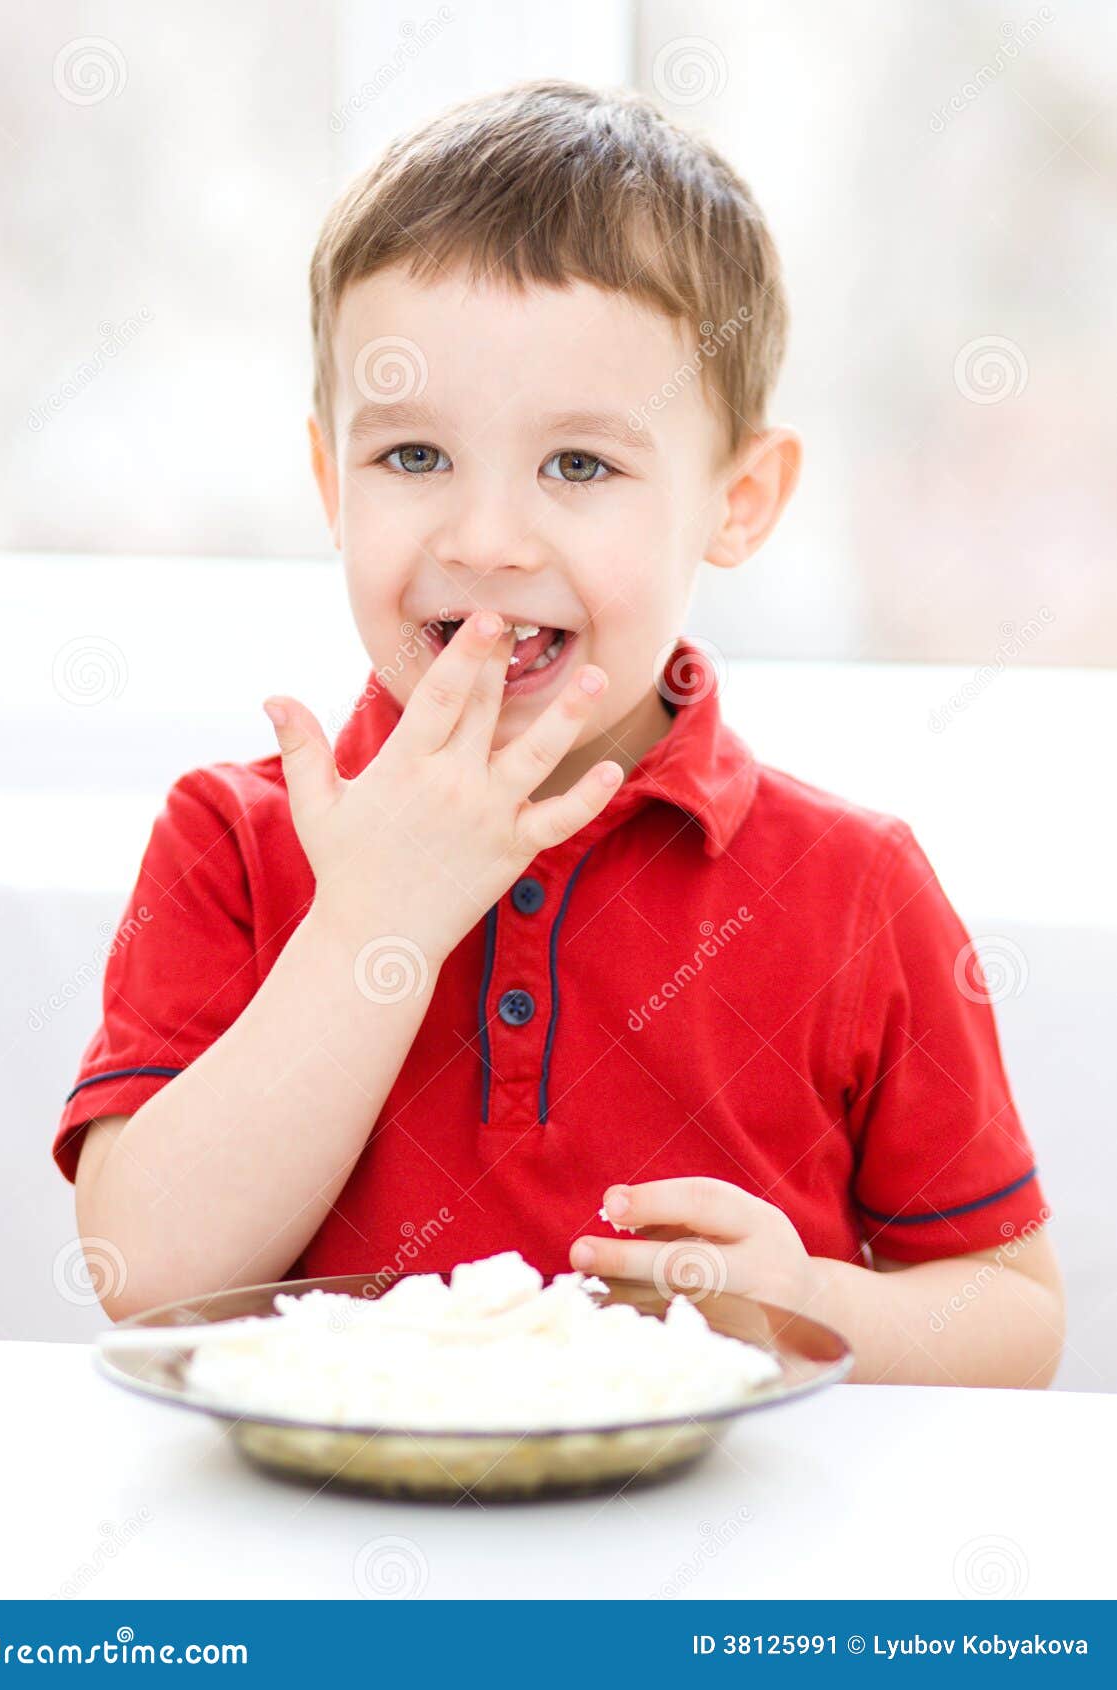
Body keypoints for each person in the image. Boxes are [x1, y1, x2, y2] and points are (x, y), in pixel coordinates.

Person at [54, 81, 1063, 1385]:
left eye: (578, 467)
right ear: (327, 483)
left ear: (737, 502)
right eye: (412, 457)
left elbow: (1013, 1321)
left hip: (719, 1575)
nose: (484, 539)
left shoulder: (854, 885)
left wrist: (806, 1302)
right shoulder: (234, 840)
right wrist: (373, 927)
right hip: (326, 1562)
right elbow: (144, 1281)